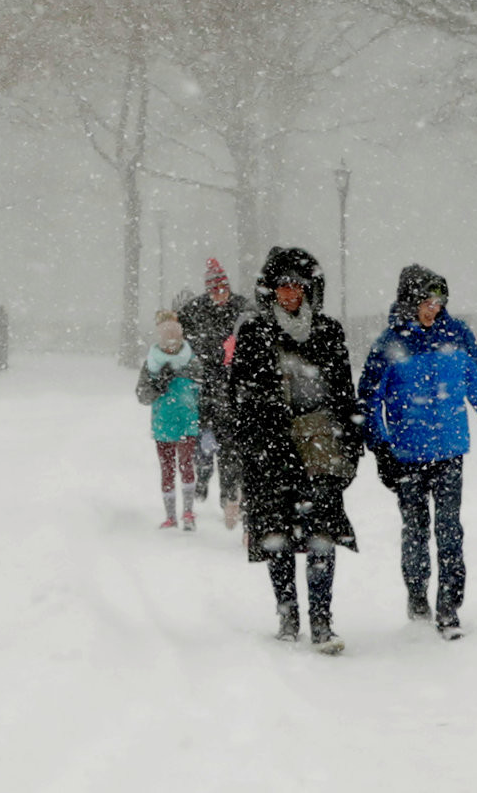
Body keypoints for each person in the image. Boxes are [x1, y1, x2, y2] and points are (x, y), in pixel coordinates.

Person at [221, 243, 361, 653]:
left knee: (321, 534)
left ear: (309, 288)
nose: (290, 293)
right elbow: (238, 396)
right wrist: (254, 442)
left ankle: (321, 620)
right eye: (282, 285)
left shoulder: (328, 331)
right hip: (271, 451)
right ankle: (287, 614)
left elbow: (343, 393)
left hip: (320, 451)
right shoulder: (253, 332)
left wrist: (349, 443)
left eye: (297, 285)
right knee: (277, 535)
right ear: (270, 289)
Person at [358, 263, 477, 640]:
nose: (433, 308)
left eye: (438, 300)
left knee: (450, 530)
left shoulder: (458, 336)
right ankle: (418, 596)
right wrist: (381, 448)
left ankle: (449, 609)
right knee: (416, 531)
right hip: (407, 455)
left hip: (449, 452)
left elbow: (476, 383)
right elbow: (370, 400)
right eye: (426, 301)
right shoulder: (389, 344)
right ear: (409, 301)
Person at [169, 259, 249, 529]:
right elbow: (177, 332)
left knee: (229, 447)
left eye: (224, 289)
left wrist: (238, 346)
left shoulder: (240, 307)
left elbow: (255, 320)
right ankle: (202, 481)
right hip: (202, 387)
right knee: (202, 443)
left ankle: (229, 496)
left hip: (230, 389)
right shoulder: (195, 309)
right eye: (215, 291)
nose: (220, 295)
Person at [135, 311, 204, 530]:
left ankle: (188, 513)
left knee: (186, 465)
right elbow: (141, 395)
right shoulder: (152, 364)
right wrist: (156, 387)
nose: (171, 345)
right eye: (166, 340)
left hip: (187, 422)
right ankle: (171, 515)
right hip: (163, 423)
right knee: (167, 469)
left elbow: (203, 391)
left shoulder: (192, 362)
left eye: (175, 340)